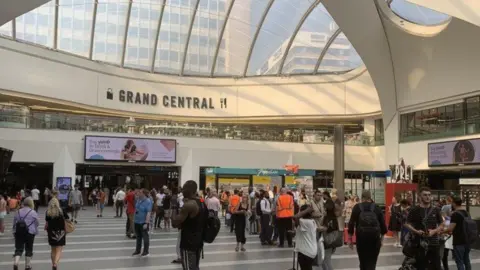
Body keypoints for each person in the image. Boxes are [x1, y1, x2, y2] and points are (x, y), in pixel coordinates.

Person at [404, 187, 444, 270]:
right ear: (420, 197)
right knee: (420, 266)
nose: (427, 197)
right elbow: (407, 223)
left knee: (436, 266)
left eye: (429, 195)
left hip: (434, 242)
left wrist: (434, 231)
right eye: (425, 195)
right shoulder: (414, 209)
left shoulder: (436, 209)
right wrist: (416, 231)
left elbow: (442, 224)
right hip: (419, 243)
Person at [348, 190, 387, 270]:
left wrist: (350, 239)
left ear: (362, 197)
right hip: (375, 240)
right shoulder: (376, 207)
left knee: (363, 261)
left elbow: (351, 223)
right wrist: (382, 240)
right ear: (370, 197)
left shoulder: (357, 207)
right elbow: (383, 225)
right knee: (372, 262)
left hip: (361, 239)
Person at [172, 180, 206, 270]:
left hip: (188, 242)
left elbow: (175, 223)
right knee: (195, 267)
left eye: (183, 189)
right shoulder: (202, 202)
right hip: (198, 240)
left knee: (188, 268)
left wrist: (174, 206)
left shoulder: (189, 205)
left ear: (188, 190)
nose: (182, 191)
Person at [12, 197, 39, 270]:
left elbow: (14, 223)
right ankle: (27, 265)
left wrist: (14, 231)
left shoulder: (18, 211)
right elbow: (37, 223)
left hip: (19, 232)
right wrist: (36, 231)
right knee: (29, 249)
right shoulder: (33, 212)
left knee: (18, 249)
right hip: (30, 232)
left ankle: (16, 263)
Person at [446, 196, 472, 270]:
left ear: (454, 203)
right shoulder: (467, 213)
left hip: (459, 241)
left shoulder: (455, 214)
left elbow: (450, 228)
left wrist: (441, 231)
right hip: (467, 240)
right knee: (466, 260)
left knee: (459, 261)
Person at [46, 197, 69, 270]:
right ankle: (55, 264)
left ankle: (53, 264)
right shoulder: (62, 210)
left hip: (51, 232)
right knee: (59, 250)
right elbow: (67, 218)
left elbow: (47, 222)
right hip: (61, 232)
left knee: (53, 250)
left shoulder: (48, 212)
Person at [293, 204, 317, 270]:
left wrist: (306, 210)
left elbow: (295, 217)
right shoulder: (312, 221)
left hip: (305, 252)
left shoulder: (305, 222)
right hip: (310, 251)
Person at [132, 189, 152, 257]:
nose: (138, 193)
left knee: (145, 237)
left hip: (143, 222)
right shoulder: (138, 200)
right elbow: (136, 209)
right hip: (137, 221)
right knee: (138, 237)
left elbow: (148, 213)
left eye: (140, 192)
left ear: (143, 194)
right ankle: (137, 250)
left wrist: (146, 223)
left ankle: (146, 251)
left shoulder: (148, 201)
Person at [322, 196, 340, 270]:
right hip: (332, 241)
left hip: (328, 241)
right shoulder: (334, 217)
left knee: (326, 261)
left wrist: (320, 228)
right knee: (325, 261)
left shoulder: (328, 218)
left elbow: (327, 228)